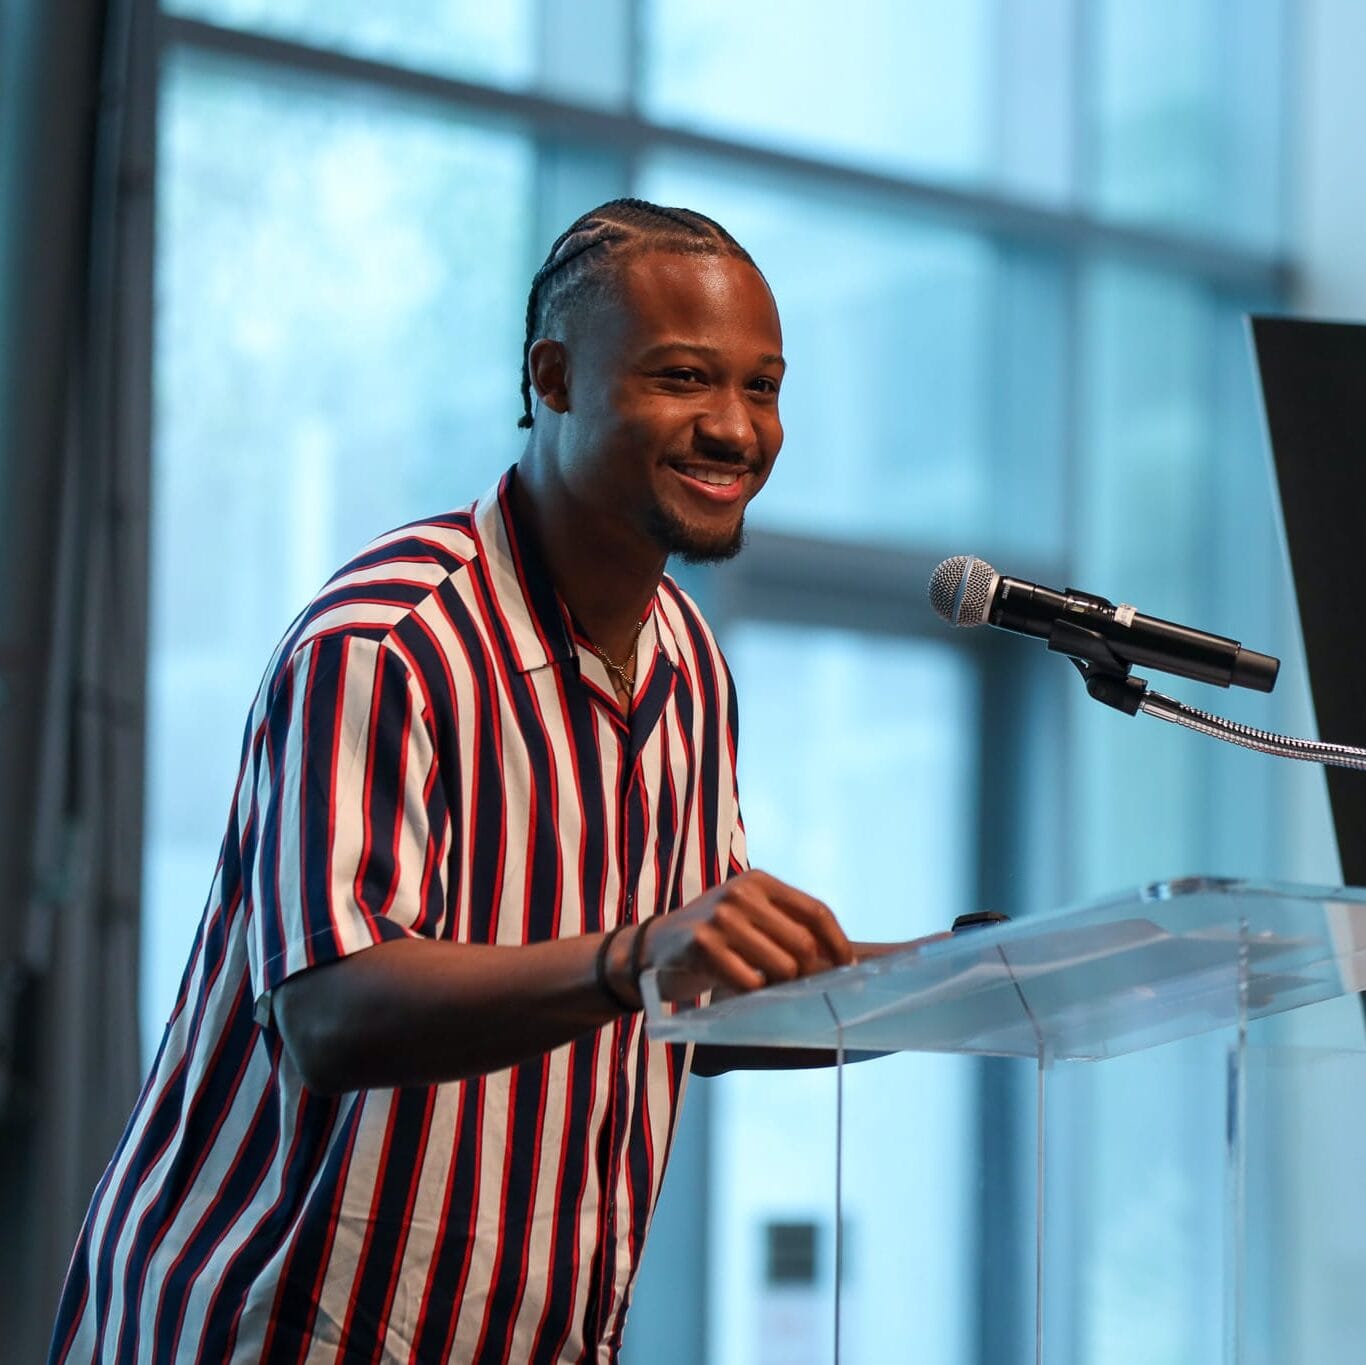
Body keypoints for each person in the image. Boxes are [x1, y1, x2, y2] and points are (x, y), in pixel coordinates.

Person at [49, 199, 862, 1363]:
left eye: (764, 387)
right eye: (686, 378)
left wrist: (973, 979)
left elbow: (697, 998)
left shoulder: (690, 665)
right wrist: (633, 957)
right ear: (555, 378)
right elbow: (329, 1013)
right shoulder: (387, 640)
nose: (736, 428)